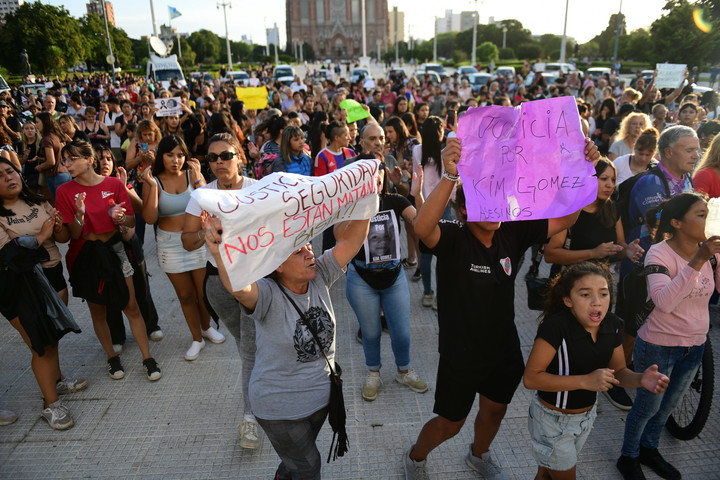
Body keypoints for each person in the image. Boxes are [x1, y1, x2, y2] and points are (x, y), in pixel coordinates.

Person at [403, 136, 600, 480]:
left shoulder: (512, 231)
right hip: (461, 351)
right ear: (464, 210)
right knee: (451, 422)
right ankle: (416, 457)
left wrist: (584, 167)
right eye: (484, 203)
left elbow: (566, 218)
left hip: (502, 348)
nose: (495, 210)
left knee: (494, 411)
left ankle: (478, 454)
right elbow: (422, 228)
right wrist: (450, 176)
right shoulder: (453, 237)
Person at [205, 209, 371, 480]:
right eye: (299, 252)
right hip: (279, 411)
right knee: (308, 467)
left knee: (294, 462)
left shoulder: (320, 275)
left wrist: (367, 204)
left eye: (309, 247)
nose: (310, 254)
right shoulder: (267, 294)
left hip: (320, 402)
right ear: (278, 265)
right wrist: (218, 253)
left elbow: (352, 242)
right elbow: (238, 288)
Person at [524, 262, 669, 480]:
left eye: (603, 294)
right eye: (585, 294)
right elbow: (531, 378)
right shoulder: (556, 327)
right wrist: (585, 381)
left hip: (586, 416)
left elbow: (619, 371)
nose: (596, 302)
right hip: (552, 421)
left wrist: (641, 379)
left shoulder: (612, 324)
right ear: (568, 300)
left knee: (546, 473)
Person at [617, 192, 720, 480]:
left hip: (695, 344)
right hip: (659, 346)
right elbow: (663, 302)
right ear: (676, 222)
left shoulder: (711, 251)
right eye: (700, 214)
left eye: (707, 213)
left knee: (668, 407)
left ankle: (649, 448)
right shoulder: (659, 253)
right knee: (647, 406)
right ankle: (628, 456)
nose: (708, 219)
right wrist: (698, 260)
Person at [55, 140, 162, 382]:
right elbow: (71, 235)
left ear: (89, 160)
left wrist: (119, 219)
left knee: (131, 305)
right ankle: (112, 356)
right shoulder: (64, 191)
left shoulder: (113, 184)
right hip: (85, 256)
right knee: (98, 310)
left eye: (73, 158)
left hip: (115, 250)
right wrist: (79, 215)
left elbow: (132, 223)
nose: (67, 164)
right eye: (65, 160)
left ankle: (148, 357)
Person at [182, 133, 262, 449]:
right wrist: (205, 233)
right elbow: (186, 241)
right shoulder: (202, 196)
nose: (218, 163)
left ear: (239, 155)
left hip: (254, 281)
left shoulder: (258, 189)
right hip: (217, 284)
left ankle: (250, 419)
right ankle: (261, 392)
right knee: (248, 345)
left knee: (251, 350)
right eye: (212, 158)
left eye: (225, 155)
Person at [0, 156, 87, 430]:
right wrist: (40, 236)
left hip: (53, 276)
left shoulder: (38, 201)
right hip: (20, 287)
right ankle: (51, 405)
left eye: (10, 171)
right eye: (0, 176)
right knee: (40, 346)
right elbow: (8, 257)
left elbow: (60, 239)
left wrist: (60, 225)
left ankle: (57, 380)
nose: (9, 177)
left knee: (52, 337)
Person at [347, 158, 428, 402]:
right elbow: (339, 235)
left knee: (402, 333)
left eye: (378, 171)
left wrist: (417, 194)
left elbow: (423, 225)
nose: (377, 176)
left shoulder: (395, 201)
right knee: (370, 333)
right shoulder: (351, 205)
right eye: (370, 173)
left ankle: (404, 371)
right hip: (361, 277)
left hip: (393, 275)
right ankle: (374, 373)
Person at [142, 135, 223, 361]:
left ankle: (207, 328)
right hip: (169, 244)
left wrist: (197, 178)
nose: (175, 160)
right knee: (186, 296)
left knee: (202, 293)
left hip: (197, 240)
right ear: (161, 157)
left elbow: (211, 204)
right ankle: (196, 338)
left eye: (180, 155)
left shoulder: (192, 175)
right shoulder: (154, 180)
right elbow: (149, 218)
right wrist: (150, 186)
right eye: (170, 155)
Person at [93, 144, 163, 350]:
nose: (104, 162)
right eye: (99, 158)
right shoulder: (86, 188)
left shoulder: (122, 183)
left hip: (129, 243)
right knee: (111, 291)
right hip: (105, 247)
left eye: (108, 158)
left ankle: (151, 325)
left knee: (141, 285)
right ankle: (117, 336)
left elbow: (142, 209)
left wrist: (123, 188)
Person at [545, 159, 644, 276]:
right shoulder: (569, 209)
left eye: (613, 180)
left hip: (600, 282)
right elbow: (550, 254)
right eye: (604, 179)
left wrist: (627, 250)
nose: (610, 185)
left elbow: (619, 243)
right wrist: (593, 253)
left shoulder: (613, 209)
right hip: (569, 281)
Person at [411, 116, 447, 305]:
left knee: (425, 252)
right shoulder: (445, 151)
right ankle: (441, 296)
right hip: (444, 204)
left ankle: (427, 293)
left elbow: (416, 177)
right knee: (444, 253)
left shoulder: (417, 150)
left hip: (424, 203)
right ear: (440, 133)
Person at [35, 112, 70, 201]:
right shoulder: (57, 136)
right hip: (65, 173)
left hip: (56, 176)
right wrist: (42, 159)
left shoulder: (46, 139)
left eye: (37, 122)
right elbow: (58, 156)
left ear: (44, 123)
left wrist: (39, 167)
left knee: (61, 206)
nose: (36, 125)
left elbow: (51, 162)